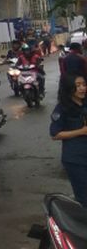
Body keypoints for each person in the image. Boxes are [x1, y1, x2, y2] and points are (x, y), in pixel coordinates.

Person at [51, 74, 87, 205]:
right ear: (69, 88)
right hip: (76, 159)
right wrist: (81, 132)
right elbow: (55, 134)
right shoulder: (62, 108)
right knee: (84, 197)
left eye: (84, 84)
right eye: (78, 86)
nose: (82, 88)